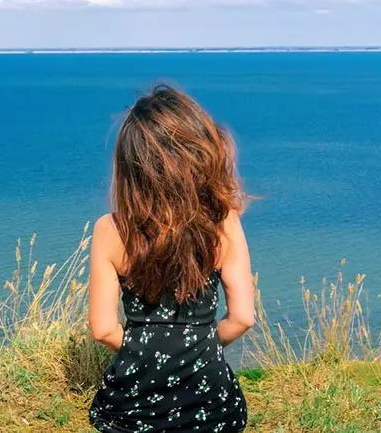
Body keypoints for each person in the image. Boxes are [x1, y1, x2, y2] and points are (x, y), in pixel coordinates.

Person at [88, 85, 255, 432]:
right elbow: (242, 318)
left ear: (132, 167)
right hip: (215, 408)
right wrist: (201, 345)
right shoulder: (223, 223)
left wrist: (147, 352)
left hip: (131, 411)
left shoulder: (111, 231)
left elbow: (103, 329)